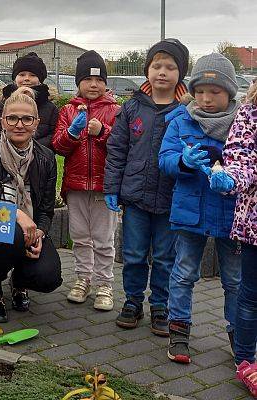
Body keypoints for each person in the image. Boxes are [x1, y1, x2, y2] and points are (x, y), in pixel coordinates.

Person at [159, 53, 241, 363]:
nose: (206, 99)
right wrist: (183, 161)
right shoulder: (181, 120)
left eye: (215, 92)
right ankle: (178, 331)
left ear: (230, 93)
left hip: (229, 214)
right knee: (183, 273)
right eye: (201, 91)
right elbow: (164, 159)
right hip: (189, 212)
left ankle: (239, 335)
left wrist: (231, 173)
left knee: (234, 279)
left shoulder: (242, 124)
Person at [104, 38, 189, 336]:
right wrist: (111, 188)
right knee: (135, 254)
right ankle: (132, 301)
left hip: (171, 199)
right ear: (147, 70)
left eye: (170, 66)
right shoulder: (131, 109)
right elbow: (117, 150)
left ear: (181, 72)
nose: (162, 72)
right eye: (156, 65)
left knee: (166, 257)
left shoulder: (186, 112)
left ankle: (160, 306)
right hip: (136, 197)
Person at [0, 86, 62, 323]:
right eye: (12, 118)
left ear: (36, 122)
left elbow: (46, 209)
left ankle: (19, 281)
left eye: (27, 118)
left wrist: (39, 232)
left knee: (48, 276)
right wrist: (16, 214)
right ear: (2, 121)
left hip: (28, 233)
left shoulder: (46, 158)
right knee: (13, 235)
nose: (20, 124)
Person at [52, 50, 120, 311]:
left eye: (99, 80)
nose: (94, 85)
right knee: (80, 236)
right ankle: (83, 279)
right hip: (77, 186)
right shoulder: (68, 110)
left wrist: (103, 131)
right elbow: (58, 145)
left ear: (105, 83)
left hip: (105, 185)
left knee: (104, 239)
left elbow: (122, 145)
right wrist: (72, 132)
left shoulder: (115, 111)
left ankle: (105, 284)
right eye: (88, 80)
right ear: (79, 82)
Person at [208, 82, 257, 397]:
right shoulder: (250, 113)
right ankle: (245, 361)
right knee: (250, 296)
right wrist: (231, 178)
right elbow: (242, 158)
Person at [0, 52, 58, 150]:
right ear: (15, 78)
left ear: (40, 80)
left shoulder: (51, 108)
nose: (26, 79)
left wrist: (29, 148)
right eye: (22, 74)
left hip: (39, 159)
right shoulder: (2, 105)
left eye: (32, 75)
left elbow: (53, 136)